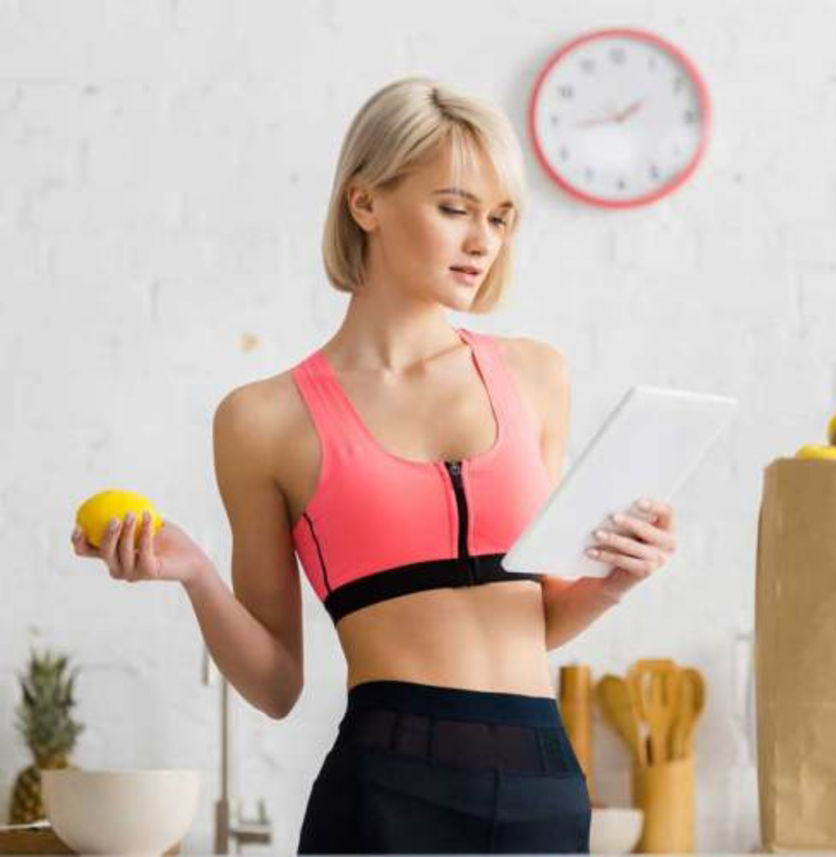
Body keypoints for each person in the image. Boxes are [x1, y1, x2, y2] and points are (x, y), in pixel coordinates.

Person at [69, 76, 678, 853]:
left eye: (499, 218)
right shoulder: (263, 419)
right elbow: (276, 683)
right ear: (365, 203)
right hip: (389, 786)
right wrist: (195, 572)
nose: (482, 240)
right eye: (454, 208)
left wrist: (615, 581)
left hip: (545, 782)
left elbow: (538, 614)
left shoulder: (537, 375)